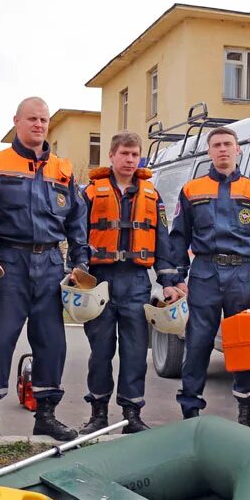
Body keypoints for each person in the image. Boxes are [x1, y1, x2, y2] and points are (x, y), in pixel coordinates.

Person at [0, 97, 89, 451]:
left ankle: (46, 415)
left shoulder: (62, 170)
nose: (39, 125)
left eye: (44, 119)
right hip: (10, 262)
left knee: (52, 343)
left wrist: (79, 265)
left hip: (51, 264)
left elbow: (76, 223)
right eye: (32, 119)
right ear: (16, 122)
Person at [170, 126, 250, 429]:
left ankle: (246, 415)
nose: (222, 150)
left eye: (227, 144)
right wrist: (179, 278)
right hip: (204, 272)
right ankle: (189, 414)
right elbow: (179, 236)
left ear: (238, 149)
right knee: (198, 342)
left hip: (242, 273)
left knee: (243, 344)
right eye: (216, 145)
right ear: (209, 151)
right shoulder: (192, 190)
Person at [78, 131, 185, 435]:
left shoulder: (152, 196)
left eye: (134, 154)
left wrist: (168, 281)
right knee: (100, 351)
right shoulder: (89, 193)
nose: (128, 159)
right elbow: (77, 235)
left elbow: (162, 240)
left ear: (140, 158)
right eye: (123, 153)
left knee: (136, 351)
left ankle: (131, 414)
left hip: (137, 281)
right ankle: (97, 414)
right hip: (100, 281)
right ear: (111, 156)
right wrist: (77, 271)